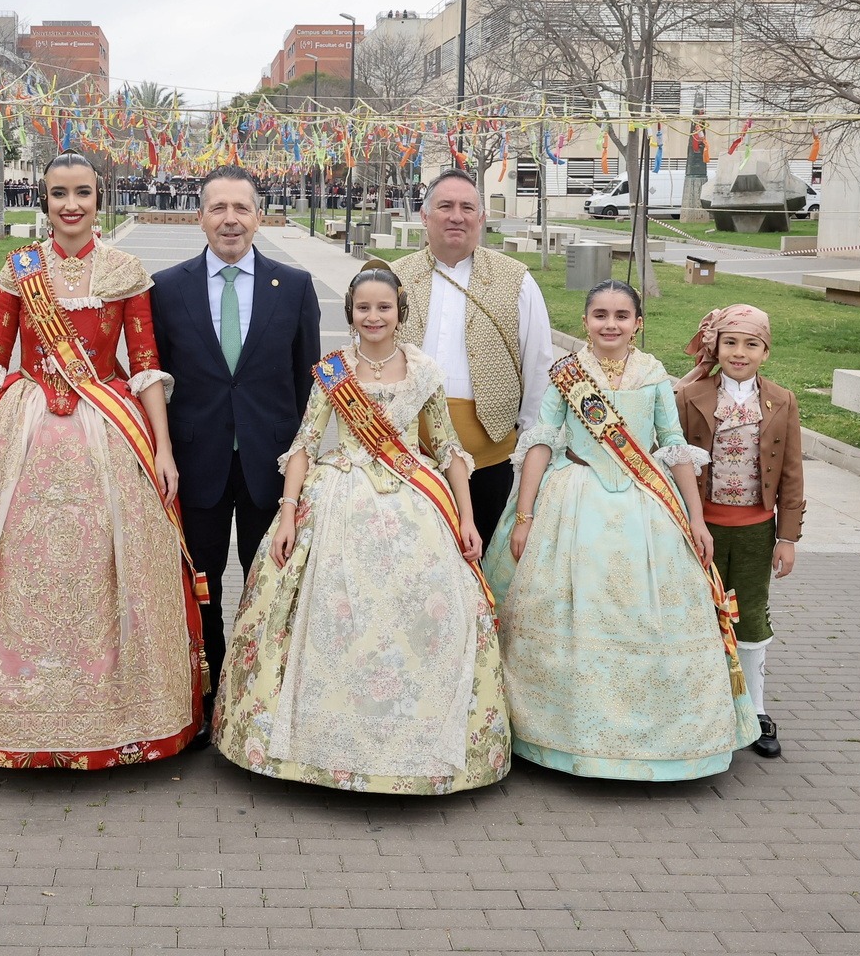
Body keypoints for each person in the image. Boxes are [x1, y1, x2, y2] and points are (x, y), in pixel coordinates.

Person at [0, 150, 206, 769]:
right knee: (3, 558)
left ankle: (116, 713)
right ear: (43, 200)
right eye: (58, 194)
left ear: (100, 199)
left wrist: (162, 446)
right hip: (22, 427)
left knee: (109, 561)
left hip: (105, 423)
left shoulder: (124, 269)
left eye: (82, 193)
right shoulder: (20, 270)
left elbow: (147, 364)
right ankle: (5, 709)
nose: (70, 205)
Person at [213, 268, 511, 794]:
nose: (373, 318)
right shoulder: (333, 371)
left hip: (412, 500)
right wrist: (287, 515)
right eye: (363, 309)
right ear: (349, 313)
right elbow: (305, 444)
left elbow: (446, 448)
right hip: (338, 498)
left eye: (384, 308)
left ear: (401, 312)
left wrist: (465, 517)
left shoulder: (423, 369)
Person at [485, 280, 760, 781]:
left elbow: (673, 445)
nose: (609, 324)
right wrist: (523, 517)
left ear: (638, 324)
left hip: (645, 506)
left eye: (621, 315)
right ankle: (560, 738)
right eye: (599, 314)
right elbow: (542, 443)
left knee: (646, 617)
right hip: (573, 500)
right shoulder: (566, 375)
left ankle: (660, 740)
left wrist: (696, 519)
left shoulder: (654, 375)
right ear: (585, 320)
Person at [150, 164, 321, 746]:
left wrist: (306, 467)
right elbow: (157, 381)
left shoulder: (294, 288)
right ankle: (203, 694)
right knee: (199, 587)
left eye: (241, 208)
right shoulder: (165, 288)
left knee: (264, 586)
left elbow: (307, 390)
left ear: (258, 216)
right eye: (217, 208)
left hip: (269, 471)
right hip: (193, 468)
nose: (229, 219)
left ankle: (259, 703)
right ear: (199, 217)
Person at [674, 304, 804, 759]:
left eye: (751, 344)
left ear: (765, 351)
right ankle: (702, 705)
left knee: (749, 614)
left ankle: (754, 708)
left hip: (754, 531)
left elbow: (790, 474)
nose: (740, 352)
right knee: (698, 612)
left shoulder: (782, 400)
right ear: (716, 346)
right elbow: (671, 456)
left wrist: (786, 537)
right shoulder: (691, 395)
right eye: (730, 342)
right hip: (700, 525)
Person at [392, 168, 553, 531]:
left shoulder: (517, 280)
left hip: (491, 459)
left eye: (467, 207)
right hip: (408, 455)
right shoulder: (393, 278)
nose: (456, 216)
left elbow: (539, 366)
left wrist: (528, 446)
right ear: (424, 215)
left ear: (481, 218)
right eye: (445, 206)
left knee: (481, 563)